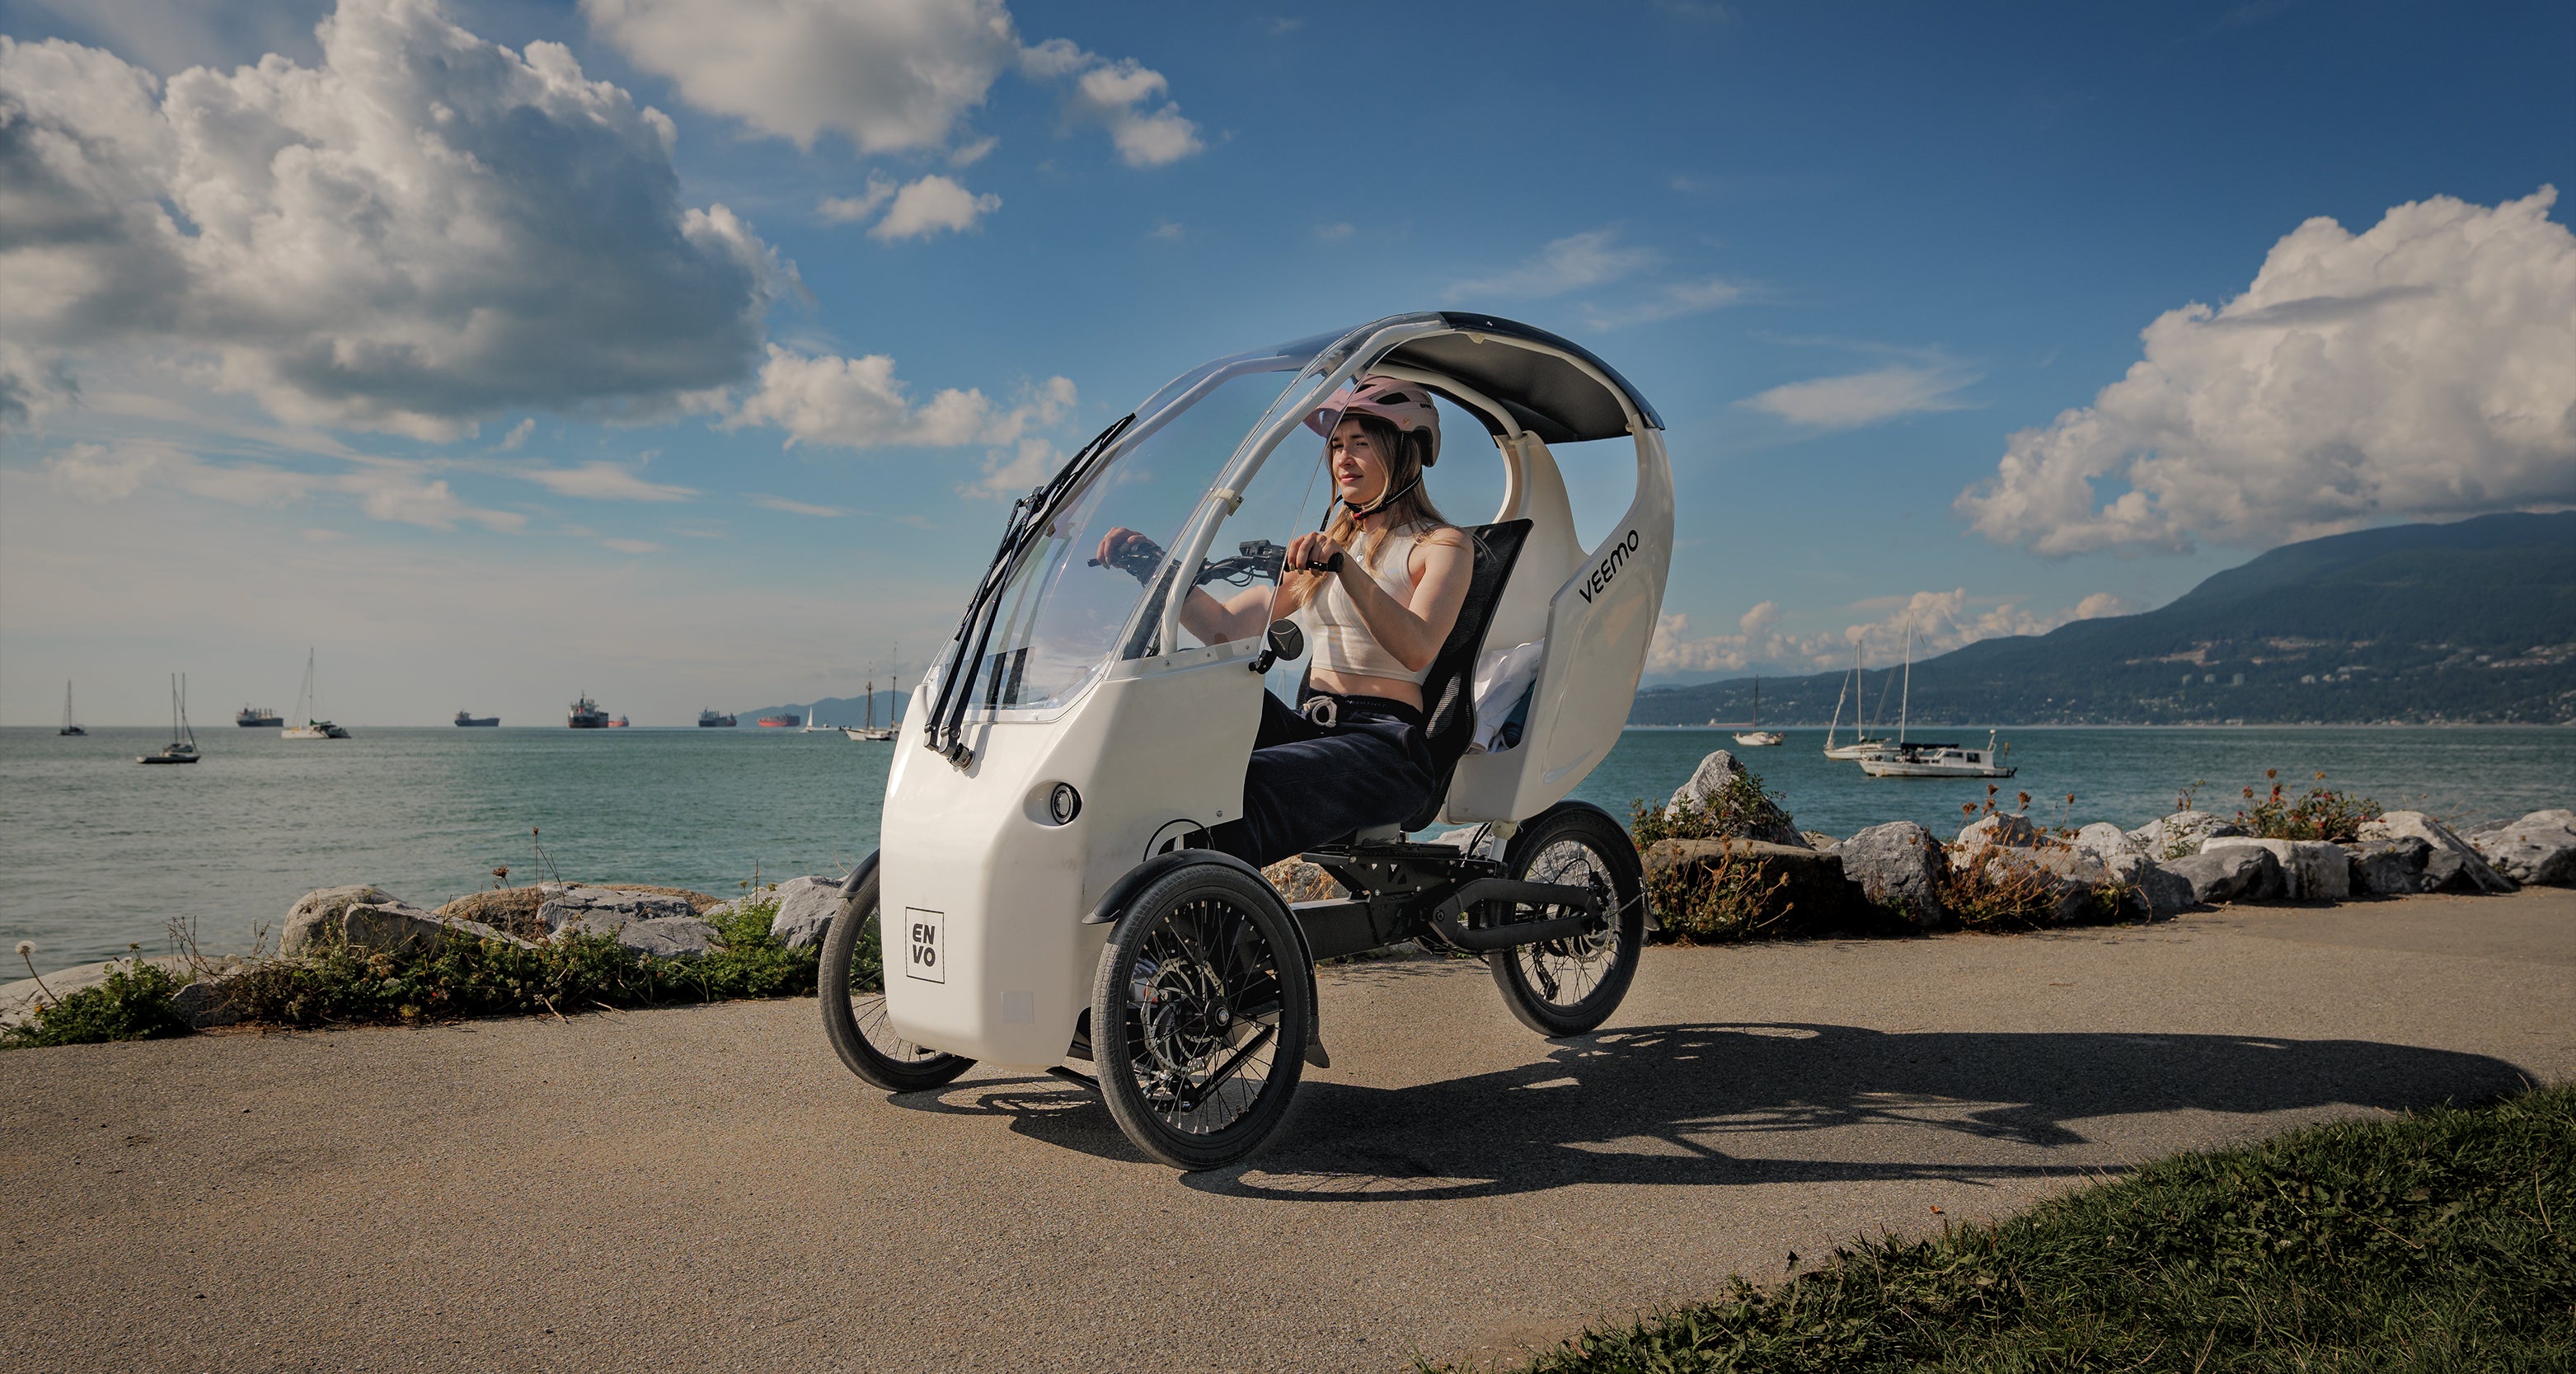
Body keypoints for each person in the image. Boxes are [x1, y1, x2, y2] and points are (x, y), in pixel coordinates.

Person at [1095, 378, 1473, 865]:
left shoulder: (1441, 545)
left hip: (1386, 748)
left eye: (1361, 443)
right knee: (1184, 693)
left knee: (1239, 789)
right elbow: (1227, 628)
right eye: (1337, 445)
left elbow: (1417, 647)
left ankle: (1213, 913)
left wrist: (1344, 567)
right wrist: (1151, 565)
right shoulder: (1334, 545)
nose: (1343, 458)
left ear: (1403, 451)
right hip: (1310, 727)